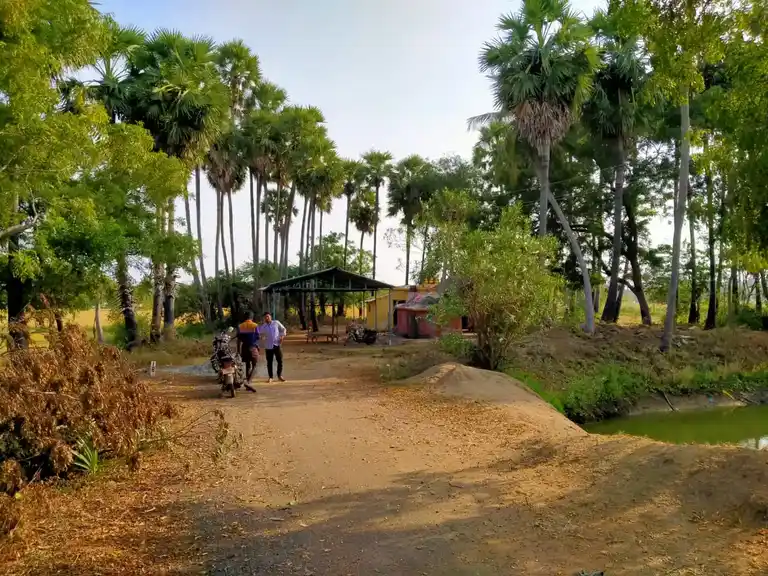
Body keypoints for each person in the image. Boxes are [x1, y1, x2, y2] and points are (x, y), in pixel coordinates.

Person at [257, 311, 286, 383]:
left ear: (270, 317)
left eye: (268, 316)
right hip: (268, 346)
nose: (267, 318)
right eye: (265, 317)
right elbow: (259, 334)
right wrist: (261, 338)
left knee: (280, 360)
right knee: (269, 362)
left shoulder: (276, 323)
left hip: (277, 345)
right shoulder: (263, 326)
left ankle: (279, 375)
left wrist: (282, 336)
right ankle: (270, 377)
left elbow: (283, 329)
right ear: (264, 318)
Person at [236, 311, 259, 392]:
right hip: (252, 348)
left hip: (244, 348)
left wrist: (238, 351)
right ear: (252, 318)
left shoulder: (240, 326)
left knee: (247, 365)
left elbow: (238, 340)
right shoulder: (255, 325)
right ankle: (248, 382)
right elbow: (258, 337)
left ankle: (247, 385)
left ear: (245, 318)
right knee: (255, 366)